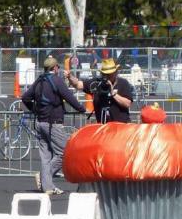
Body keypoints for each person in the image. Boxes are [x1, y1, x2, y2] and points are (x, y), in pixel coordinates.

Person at [22, 57, 84, 195]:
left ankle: (48, 188)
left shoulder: (39, 81)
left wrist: (35, 109)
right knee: (64, 153)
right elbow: (69, 97)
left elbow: (25, 97)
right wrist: (81, 108)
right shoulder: (56, 80)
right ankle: (45, 178)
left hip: (39, 122)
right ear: (55, 68)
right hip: (53, 123)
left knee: (45, 156)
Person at [66, 58, 134, 123]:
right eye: (105, 74)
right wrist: (70, 77)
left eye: (110, 74)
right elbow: (78, 85)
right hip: (103, 126)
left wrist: (113, 93)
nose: (107, 76)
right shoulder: (96, 83)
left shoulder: (123, 83)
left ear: (116, 72)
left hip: (120, 127)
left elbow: (127, 103)